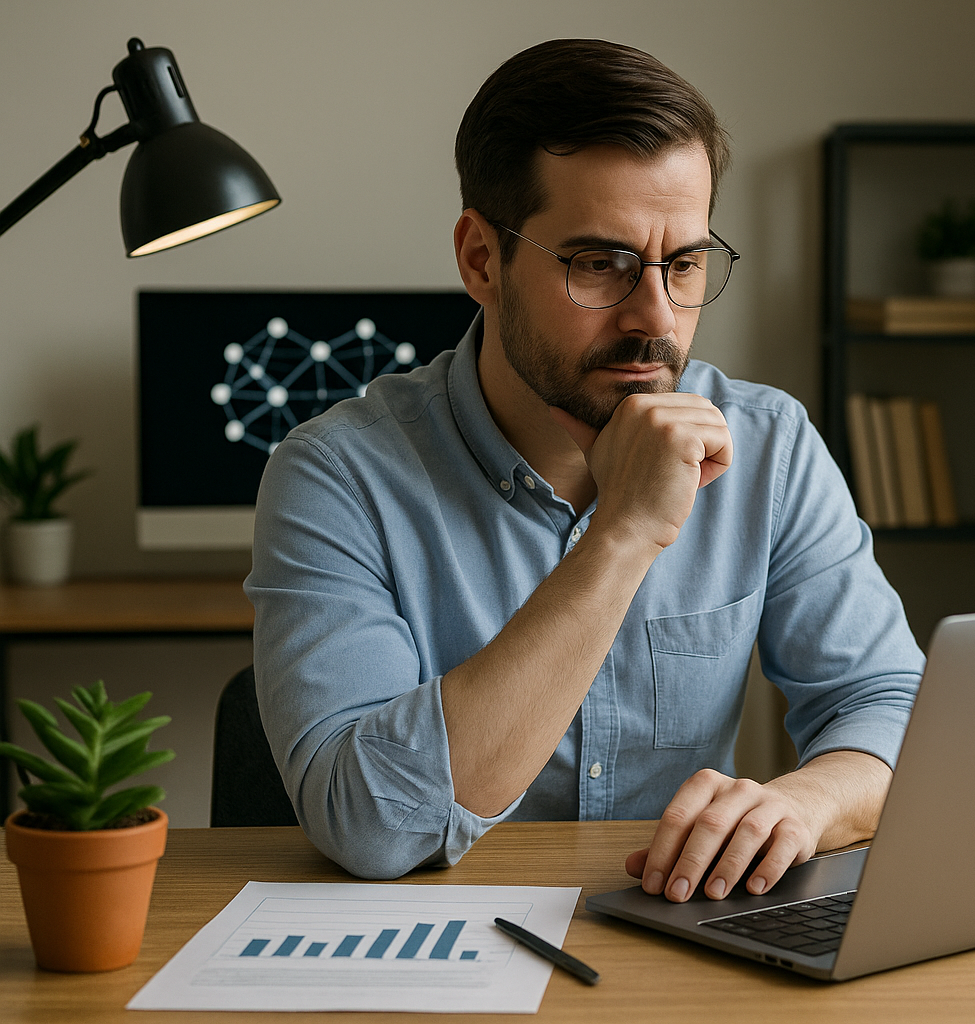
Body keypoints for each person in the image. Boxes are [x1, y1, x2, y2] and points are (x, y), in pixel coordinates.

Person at [246, 38, 924, 901]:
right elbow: (368, 824)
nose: (657, 320)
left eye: (684, 265)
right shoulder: (336, 477)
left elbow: (890, 704)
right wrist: (623, 536)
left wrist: (805, 803)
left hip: (679, 930)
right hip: (435, 940)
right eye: (600, 264)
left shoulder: (770, 446)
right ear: (481, 259)